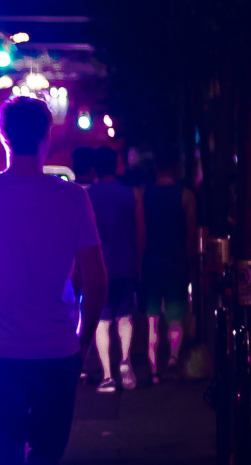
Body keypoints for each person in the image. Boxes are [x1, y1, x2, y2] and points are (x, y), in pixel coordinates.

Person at [0, 96, 107, 465]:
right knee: (47, 453)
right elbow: (96, 280)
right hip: (57, 350)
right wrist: (82, 342)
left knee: (5, 451)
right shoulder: (73, 198)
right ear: (48, 136)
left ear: (2, 136)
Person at [88, 146, 145, 393]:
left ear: (96, 168)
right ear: (116, 165)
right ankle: (125, 360)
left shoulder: (89, 196)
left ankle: (107, 376)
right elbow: (140, 231)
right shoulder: (131, 194)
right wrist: (138, 262)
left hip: (100, 267)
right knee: (125, 317)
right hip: (126, 263)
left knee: (102, 322)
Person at [141, 147, 197, 383]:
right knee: (175, 314)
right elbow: (191, 235)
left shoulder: (144, 194)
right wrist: (191, 262)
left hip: (151, 262)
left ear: (155, 167)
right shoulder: (186, 196)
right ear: (176, 168)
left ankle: (154, 368)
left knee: (152, 318)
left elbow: (141, 232)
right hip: (176, 262)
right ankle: (173, 356)